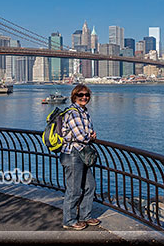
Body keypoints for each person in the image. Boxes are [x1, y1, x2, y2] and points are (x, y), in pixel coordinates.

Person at [60, 84, 100, 230]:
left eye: (87, 95)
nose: (84, 97)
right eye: (80, 95)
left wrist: (89, 135)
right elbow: (81, 136)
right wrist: (90, 136)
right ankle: (69, 220)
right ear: (74, 97)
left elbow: (88, 132)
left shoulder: (84, 112)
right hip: (72, 154)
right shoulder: (73, 113)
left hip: (82, 153)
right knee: (74, 189)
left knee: (90, 185)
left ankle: (85, 216)